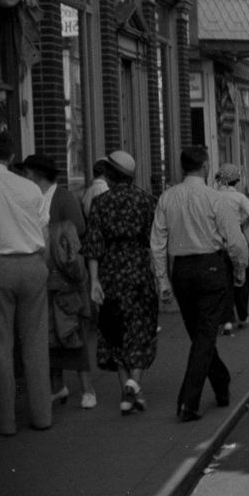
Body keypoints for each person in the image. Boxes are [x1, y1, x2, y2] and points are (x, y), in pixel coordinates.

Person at [151, 146, 249, 422]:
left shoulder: (167, 198)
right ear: (205, 166)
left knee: (199, 335)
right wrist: (240, 269)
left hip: (182, 270)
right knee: (204, 335)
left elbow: (157, 243)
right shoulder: (213, 198)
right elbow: (235, 240)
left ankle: (221, 381)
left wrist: (162, 280)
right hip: (211, 267)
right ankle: (189, 402)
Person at [0, 130, 52, 435]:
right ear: (12, 156)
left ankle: (2, 421)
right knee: (36, 343)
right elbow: (44, 233)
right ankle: (41, 416)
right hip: (32, 264)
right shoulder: (30, 188)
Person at [82, 151, 159, 417]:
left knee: (113, 327)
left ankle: (126, 392)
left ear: (110, 176)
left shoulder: (100, 203)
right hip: (139, 270)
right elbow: (156, 243)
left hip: (110, 271)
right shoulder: (147, 201)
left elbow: (93, 245)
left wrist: (94, 281)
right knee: (141, 325)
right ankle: (134, 383)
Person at [19, 153, 95, 409]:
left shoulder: (62, 197)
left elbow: (78, 230)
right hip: (42, 275)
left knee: (73, 332)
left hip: (64, 276)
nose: (24, 177)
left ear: (36, 174)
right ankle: (57, 386)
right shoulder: (31, 197)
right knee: (50, 335)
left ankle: (87, 389)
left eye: (27, 172)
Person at [214, 164, 249, 333]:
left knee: (224, 282)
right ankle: (242, 315)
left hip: (218, 243)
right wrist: (245, 222)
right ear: (237, 180)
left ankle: (226, 320)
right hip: (238, 241)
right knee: (242, 279)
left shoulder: (213, 196)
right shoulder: (240, 197)